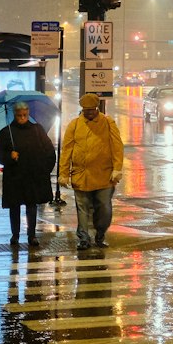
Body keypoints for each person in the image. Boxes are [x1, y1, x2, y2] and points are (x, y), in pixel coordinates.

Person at [58, 93, 123, 251]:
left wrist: (117, 168)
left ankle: (100, 234)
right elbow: (66, 150)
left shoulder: (108, 122)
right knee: (82, 208)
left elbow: (117, 146)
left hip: (104, 175)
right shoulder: (74, 125)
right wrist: (64, 173)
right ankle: (84, 238)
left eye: (92, 110)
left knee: (104, 208)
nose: (89, 113)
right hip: (81, 175)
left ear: (97, 108)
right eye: (86, 110)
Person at [0, 100, 56, 249]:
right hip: (14, 176)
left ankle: (31, 235)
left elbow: (48, 151)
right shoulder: (6, 132)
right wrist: (9, 156)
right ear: (14, 115)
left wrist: (45, 170)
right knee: (14, 206)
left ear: (28, 114)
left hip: (32, 175)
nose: (22, 117)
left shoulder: (37, 130)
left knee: (31, 206)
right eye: (19, 115)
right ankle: (15, 234)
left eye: (24, 115)